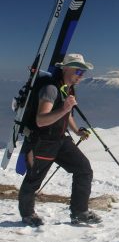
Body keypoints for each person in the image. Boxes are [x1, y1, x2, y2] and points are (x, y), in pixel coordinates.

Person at [18, 53, 102, 226]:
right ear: (65, 69)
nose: (81, 75)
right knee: (34, 179)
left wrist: (77, 131)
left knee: (84, 169)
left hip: (59, 140)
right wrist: (65, 109)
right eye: (78, 71)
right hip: (42, 142)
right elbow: (41, 120)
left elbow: (67, 114)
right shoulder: (51, 89)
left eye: (83, 72)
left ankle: (79, 212)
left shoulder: (68, 88)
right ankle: (27, 215)